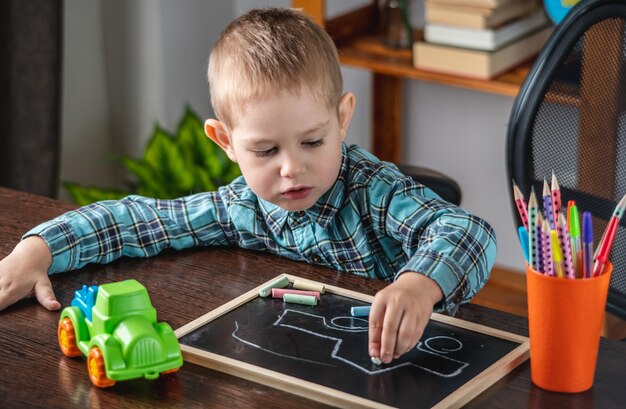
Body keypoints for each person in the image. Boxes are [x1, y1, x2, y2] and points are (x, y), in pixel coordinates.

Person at [0, 8, 496, 364]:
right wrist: (37, 250)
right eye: (265, 151)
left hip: (407, 362)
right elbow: (133, 221)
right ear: (226, 142)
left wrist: (418, 284)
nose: (291, 169)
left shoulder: (376, 192)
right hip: (297, 360)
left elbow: (469, 232)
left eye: (312, 141)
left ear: (342, 119)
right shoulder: (240, 207)